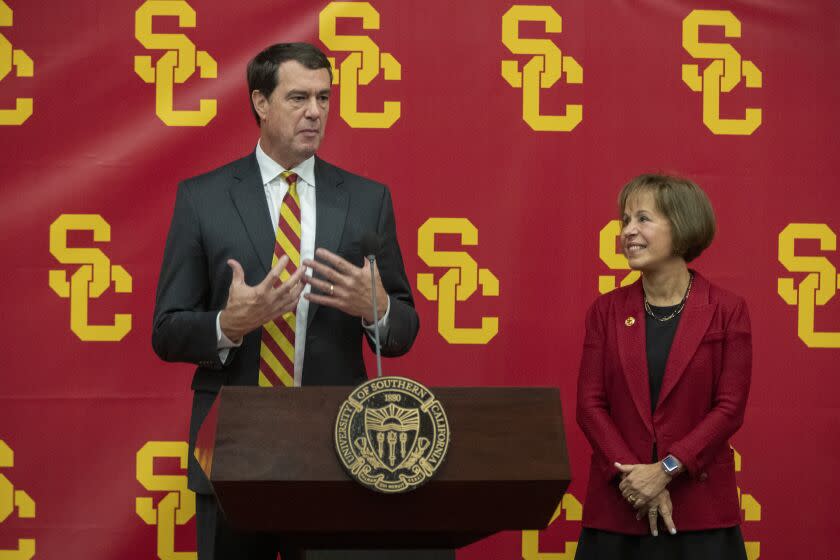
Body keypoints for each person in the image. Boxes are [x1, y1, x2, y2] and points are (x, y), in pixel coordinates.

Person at [151, 42, 419, 560]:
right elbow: (166, 330)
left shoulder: (367, 200)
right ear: (260, 102)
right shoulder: (203, 198)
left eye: (324, 98)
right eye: (298, 98)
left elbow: (404, 330)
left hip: (338, 448)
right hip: (233, 447)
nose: (315, 112)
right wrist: (228, 325)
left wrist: (377, 310)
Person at [575, 174, 751, 559]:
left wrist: (666, 470)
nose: (628, 232)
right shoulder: (605, 312)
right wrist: (637, 480)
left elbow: (729, 408)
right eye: (625, 221)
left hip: (701, 513)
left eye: (643, 219)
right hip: (619, 511)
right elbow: (589, 406)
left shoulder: (726, 310)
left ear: (682, 227)